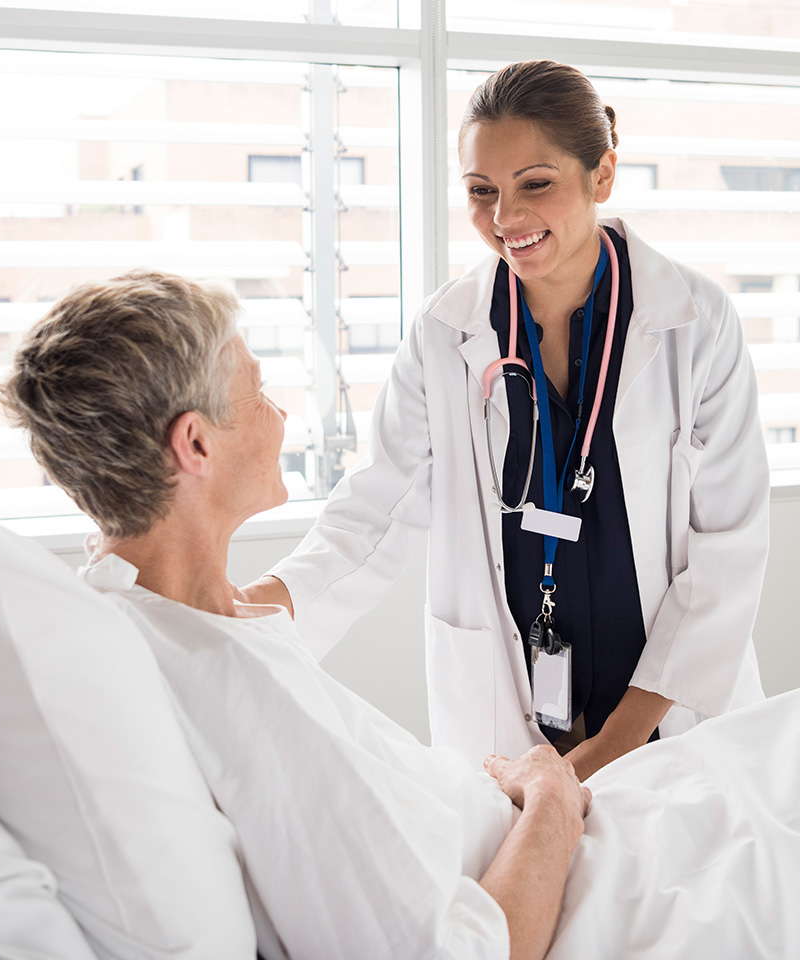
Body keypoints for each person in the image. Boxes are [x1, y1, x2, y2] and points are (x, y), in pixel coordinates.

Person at [0, 270, 800, 960]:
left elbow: (725, 547)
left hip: (552, 826)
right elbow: (477, 945)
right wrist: (553, 796)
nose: (281, 414)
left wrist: (235, 606)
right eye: (256, 392)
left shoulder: (161, 626)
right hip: (572, 871)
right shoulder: (226, 686)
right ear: (194, 446)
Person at [241, 60, 769, 780]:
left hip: (663, 718)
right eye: (481, 190)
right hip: (510, 722)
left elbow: (728, 550)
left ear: (602, 175)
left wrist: (607, 751)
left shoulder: (695, 321)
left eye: (536, 184)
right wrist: (255, 607)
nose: (504, 219)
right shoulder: (445, 331)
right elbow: (373, 510)